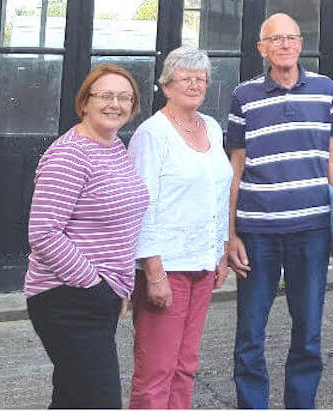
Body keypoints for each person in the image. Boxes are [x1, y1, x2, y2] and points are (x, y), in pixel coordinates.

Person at [226, 13, 333, 410]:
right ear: (261, 49)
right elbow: (236, 164)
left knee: (309, 331)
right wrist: (229, 234)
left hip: (311, 230)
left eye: (291, 37)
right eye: (274, 39)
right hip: (258, 232)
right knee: (250, 333)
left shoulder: (324, 89)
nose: (284, 45)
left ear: (301, 44)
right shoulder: (243, 95)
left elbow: (332, 152)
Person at [25, 63, 151, 410]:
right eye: (106, 96)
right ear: (85, 103)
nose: (116, 104)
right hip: (66, 298)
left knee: (72, 398)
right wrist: (96, 285)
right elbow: (44, 232)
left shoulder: (114, 148)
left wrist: (116, 287)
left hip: (97, 296)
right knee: (99, 401)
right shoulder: (69, 155)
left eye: (125, 97)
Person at [127, 46, 233, 409]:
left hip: (202, 263)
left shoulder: (213, 127)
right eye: (186, 78)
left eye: (201, 79)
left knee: (186, 365)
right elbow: (142, 205)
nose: (195, 85)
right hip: (165, 267)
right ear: (166, 86)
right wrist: (153, 271)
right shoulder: (152, 134)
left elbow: (219, 194)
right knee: (156, 368)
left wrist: (220, 251)